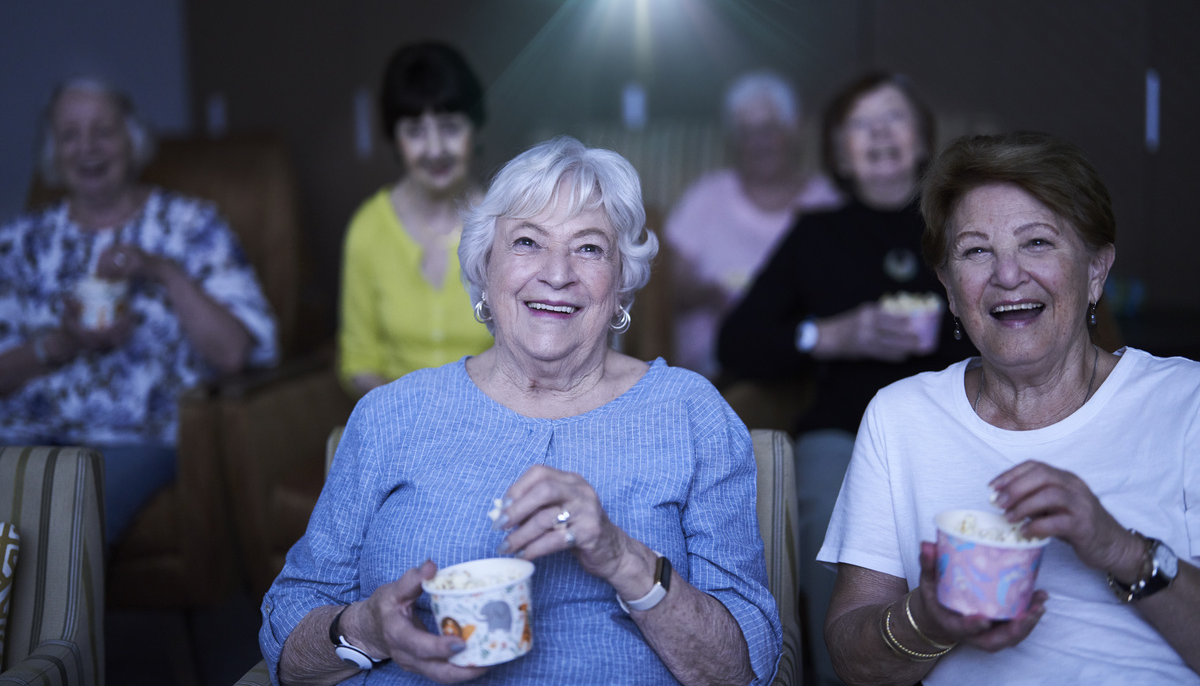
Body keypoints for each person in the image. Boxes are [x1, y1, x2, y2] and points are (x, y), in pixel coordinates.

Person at [261, 137, 782, 685]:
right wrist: (365, 630)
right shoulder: (391, 416)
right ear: (485, 266)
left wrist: (622, 558)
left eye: (589, 248)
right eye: (528, 242)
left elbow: (746, 666)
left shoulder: (691, 413)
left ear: (622, 285)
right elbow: (286, 640)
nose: (557, 274)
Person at [819, 131, 1200, 685]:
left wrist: (1120, 548)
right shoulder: (902, 417)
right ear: (949, 289)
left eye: (1037, 243)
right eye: (976, 251)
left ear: (1096, 270)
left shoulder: (1185, 401)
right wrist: (929, 618)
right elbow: (850, 663)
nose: (1007, 275)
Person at [717, 71, 963, 686]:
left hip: (959, 423)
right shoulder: (815, 234)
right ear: (839, 150)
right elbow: (737, 341)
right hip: (842, 431)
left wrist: (953, 329)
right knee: (830, 514)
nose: (879, 133)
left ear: (921, 137)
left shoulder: (960, 222)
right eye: (861, 124)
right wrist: (830, 335)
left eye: (894, 118)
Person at [0, 78, 278, 545]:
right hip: (25, 429)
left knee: (67, 523)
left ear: (133, 138)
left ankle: (57, 621)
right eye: (70, 135)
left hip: (137, 435)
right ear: (53, 150)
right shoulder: (20, 242)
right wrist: (63, 343)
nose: (87, 148)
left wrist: (162, 271)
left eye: (103, 131)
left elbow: (233, 353)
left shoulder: (190, 225)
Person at [338, 41, 494, 398]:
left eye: (451, 127)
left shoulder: (507, 225)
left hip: (494, 427)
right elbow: (358, 361)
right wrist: (413, 418)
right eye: (415, 131)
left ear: (476, 128)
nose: (436, 149)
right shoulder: (368, 228)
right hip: (397, 427)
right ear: (394, 139)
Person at [664, 70, 841, 380]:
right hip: (706, 374)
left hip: (799, 367)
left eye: (769, 128)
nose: (759, 142)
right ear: (733, 140)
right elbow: (663, 282)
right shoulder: (707, 196)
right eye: (746, 132)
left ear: (793, 130)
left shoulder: (826, 203)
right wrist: (708, 294)